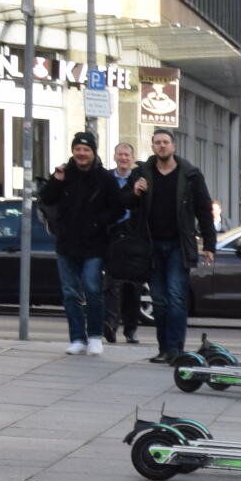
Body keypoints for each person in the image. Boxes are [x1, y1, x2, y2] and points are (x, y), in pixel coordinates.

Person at [128, 128, 216, 363]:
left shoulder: (190, 174)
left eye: (166, 142)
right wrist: (134, 192)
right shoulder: (142, 173)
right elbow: (123, 202)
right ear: (153, 147)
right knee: (159, 300)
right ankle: (164, 349)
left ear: (174, 146)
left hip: (178, 245)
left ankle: (176, 349)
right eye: (157, 143)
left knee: (177, 297)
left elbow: (204, 210)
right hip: (151, 246)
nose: (162, 146)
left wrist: (209, 244)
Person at [35, 132, 126, 355]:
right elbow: (46, 199)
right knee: (70, 293)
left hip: (94, 244)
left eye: (86, 150)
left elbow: (118, 208)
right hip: (66, 243)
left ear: (93, 152)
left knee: (92, 289)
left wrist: (99, 222)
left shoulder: (104, 178)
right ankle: (77, 338)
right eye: (78, 149)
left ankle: (95, 336)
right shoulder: (64, 174)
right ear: (73, 151)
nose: (81, 154)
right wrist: (56, 179)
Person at [104, 142, 147, 344]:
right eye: (120, 154)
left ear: (132, 157)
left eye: (127, 155)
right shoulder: (107, 179)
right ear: (114, 157)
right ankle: (110, 325)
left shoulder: (140, 179)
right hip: (113, 234)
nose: (123, 158)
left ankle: (130, 329)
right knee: (112, 282)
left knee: (133, 285)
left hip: (134, 236)